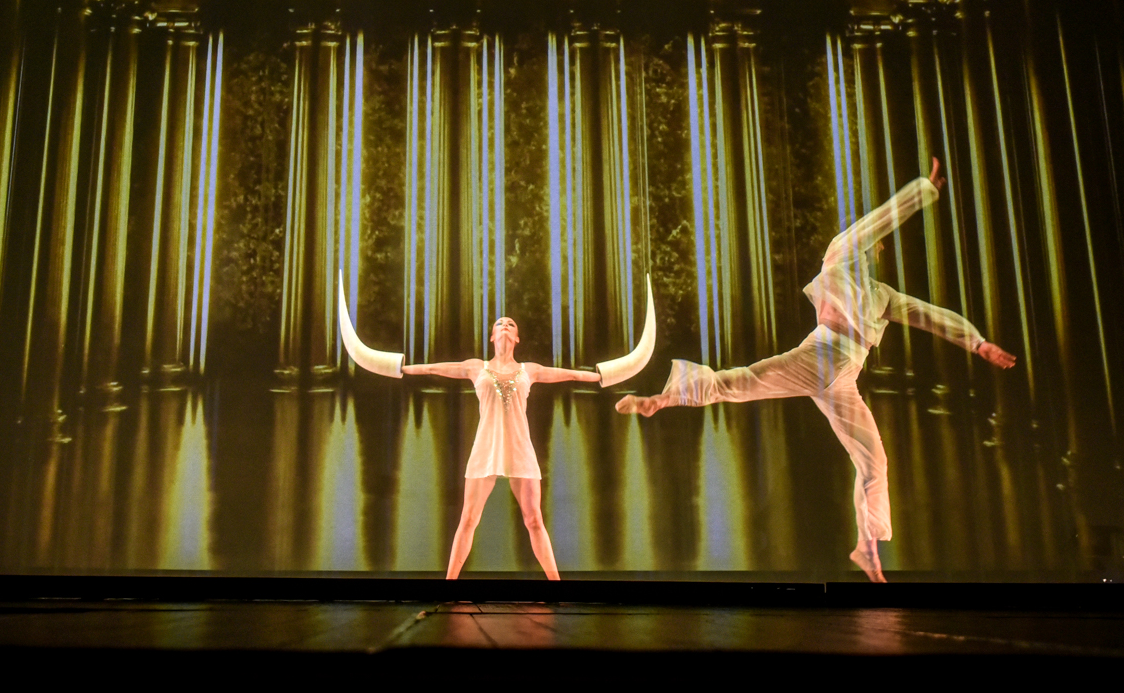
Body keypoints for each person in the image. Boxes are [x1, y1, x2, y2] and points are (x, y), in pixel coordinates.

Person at [615, 157, 1016, 582]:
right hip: (819, 357)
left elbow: (930, 315)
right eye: (876, 242)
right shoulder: (840, 256)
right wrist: (925, 191)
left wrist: (977, 343)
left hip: (843, 381)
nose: (880, 246)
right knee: (742, 382)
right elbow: (882, 219)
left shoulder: (882, 295)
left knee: (874, 461)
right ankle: (662, 399)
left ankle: (867, 547)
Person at [404, 317, 600, 580]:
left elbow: (573, 374)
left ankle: (557, 587)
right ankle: (449, 586)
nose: (505, 324)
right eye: (499, 324)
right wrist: (399, 368)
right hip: (486, 447)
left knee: (534, 520)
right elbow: (431, 369)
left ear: (517, 338)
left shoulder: (530, 370)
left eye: (511, 324)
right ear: (492, 337)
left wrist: (604, 376)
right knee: (468, 519)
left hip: (520, 448)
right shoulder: (476, 367)